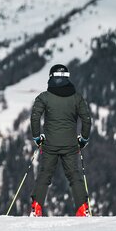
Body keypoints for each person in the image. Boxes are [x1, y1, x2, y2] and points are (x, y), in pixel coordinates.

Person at [29, 63, 92, 217]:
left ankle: (36, 208)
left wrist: (37, 137)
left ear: (51, 78)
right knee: (74, 175)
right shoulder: (77, 98)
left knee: (45, 174)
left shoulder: (44, 97)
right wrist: (83, 139)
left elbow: (35, 117)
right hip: (71, 145)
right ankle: (83, 209)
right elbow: (87, 120)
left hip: (49, 144)